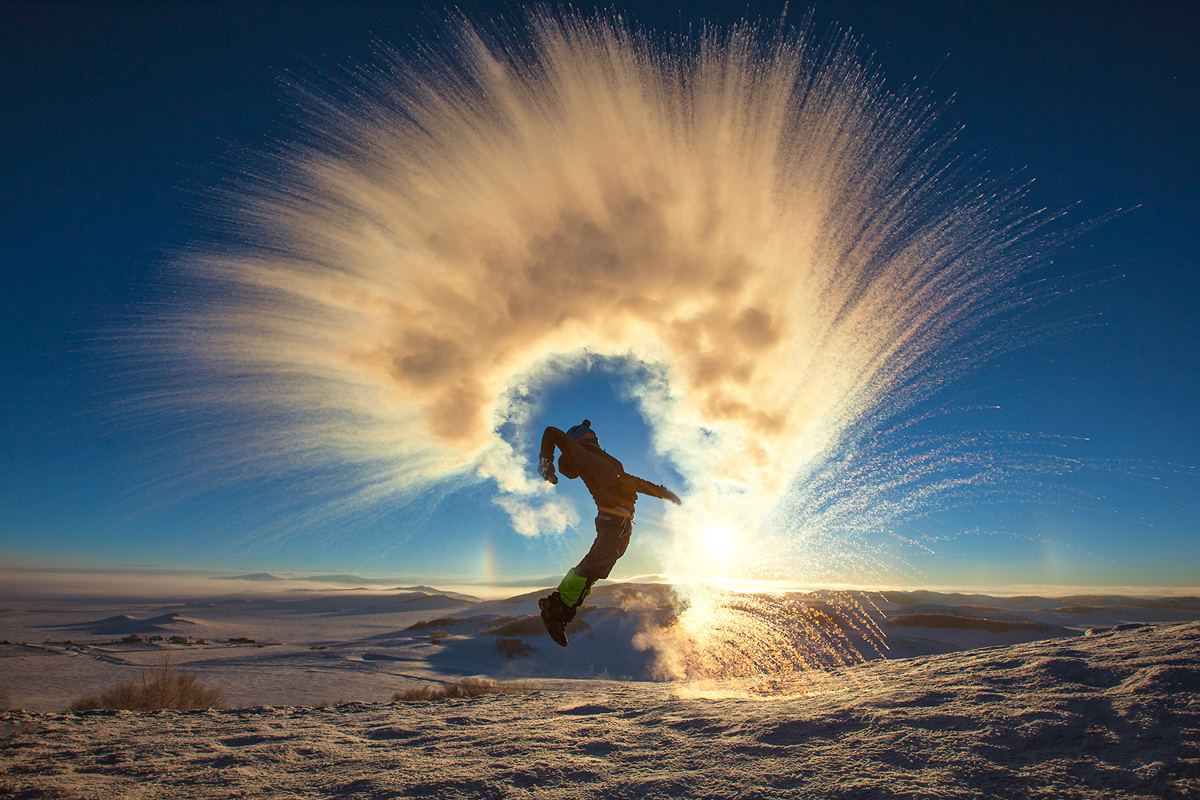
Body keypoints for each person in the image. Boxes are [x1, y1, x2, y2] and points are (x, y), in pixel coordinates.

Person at [535, 419, 681, 646]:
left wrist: (663, 493)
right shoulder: (581, 455)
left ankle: (560, 615)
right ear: (586, 437)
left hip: (623, 524)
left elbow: (632, 482)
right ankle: (554, 607)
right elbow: (551, 432)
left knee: (594, 572)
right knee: (592, 566)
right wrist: (546, 463)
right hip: (612, 519)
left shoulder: (608, 463)